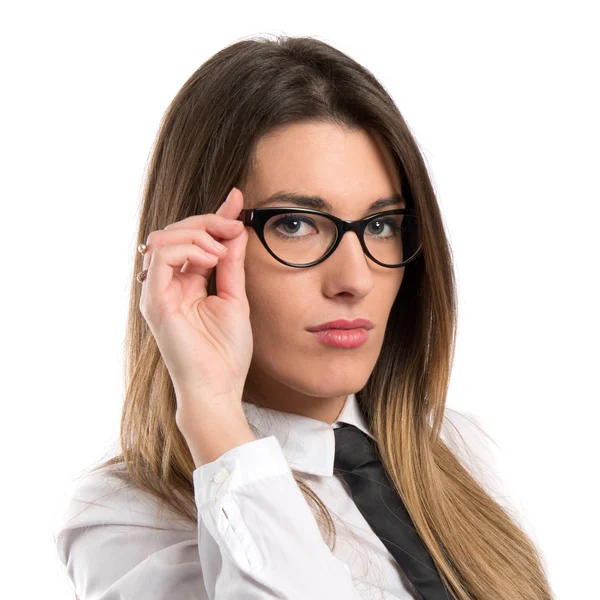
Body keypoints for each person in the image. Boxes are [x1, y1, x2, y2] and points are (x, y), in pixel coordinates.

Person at [54, 35, 555, 599]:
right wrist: (213, 413)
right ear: (203, 247)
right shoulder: (126, 518)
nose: (355, 279)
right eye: (295, 224)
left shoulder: (455, 449)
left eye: (382, 225)